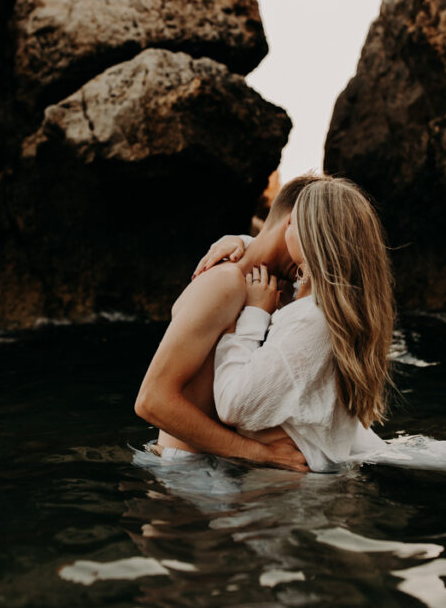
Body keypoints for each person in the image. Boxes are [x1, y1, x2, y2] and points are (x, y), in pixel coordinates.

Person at [134, 175, 322, 472]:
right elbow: (151, 400)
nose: (317, 257)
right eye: (317, 239)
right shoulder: (226, 281)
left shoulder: (282, 289)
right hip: (187, 473)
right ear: (293, 223)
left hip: (230, 468)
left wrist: (243, 241)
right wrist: (263, 455)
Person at [213, 177, 394, 472]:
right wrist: (242, 243)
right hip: (314, 480)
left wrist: (254, 315)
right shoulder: (331, 308)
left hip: (291, 498)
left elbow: (233, 404)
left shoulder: (311, 321)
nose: (286, 227)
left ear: (314, 239)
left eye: (293, 223)